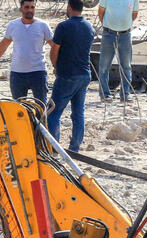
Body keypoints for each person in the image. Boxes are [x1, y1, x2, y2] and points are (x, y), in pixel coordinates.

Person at [0, 0, 53, 103]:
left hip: (38, 72)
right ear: (20, 9)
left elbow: (54, 46)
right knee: (18, 107)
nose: (30, 10)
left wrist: (57, 66)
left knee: (41, 106)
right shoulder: (13, 25)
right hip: (17, 73)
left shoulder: (43, 25)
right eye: (27, 7)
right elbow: (3, 45)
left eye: (32, 7)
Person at [47, 0, 95, 153]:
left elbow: (54, 50)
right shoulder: (89, 27)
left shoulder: (63, 26)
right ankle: (75, 148)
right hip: (84, 74)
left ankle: (54, 149)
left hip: (67, 74)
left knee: (53, 112)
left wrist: (56, 66)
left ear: (69, 8)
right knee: (78, 113)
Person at [97, 0, 139, 101]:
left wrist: (123, 26)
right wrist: (109, 26)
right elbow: (101, 12)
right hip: (108, 34)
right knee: (104, 66)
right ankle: (104, 94)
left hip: (125, 35)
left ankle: (125, 94)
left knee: (126, 66)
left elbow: (134, 14)